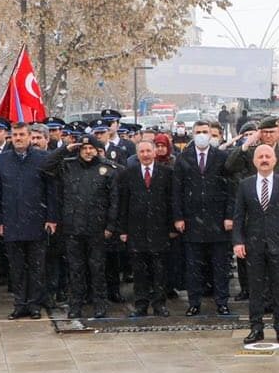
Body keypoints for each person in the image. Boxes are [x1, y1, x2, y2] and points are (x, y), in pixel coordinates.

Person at [232, 144, 279, 345]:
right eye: (260, 156)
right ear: (254, 161)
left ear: (274, 160)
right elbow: (238, 216)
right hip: (253, 245)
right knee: (255, 289)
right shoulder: (245, 185)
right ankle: (256, 328)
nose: (264, 159)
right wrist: (238, 241)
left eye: (267, 156)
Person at [50, 134, 116, 319]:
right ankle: (76, 305)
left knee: (97, 269)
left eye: (91, 148)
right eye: (84, 148)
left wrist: (110, 226)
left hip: (97, 228)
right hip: (73, 228)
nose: (88, 152)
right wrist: (66, 149)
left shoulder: (107, 169)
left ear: (97, 150)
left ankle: (100, 305)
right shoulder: (68, 166)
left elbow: (114, 201)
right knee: (75, 269)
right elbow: (46, 167)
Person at [0, 122, 55, 319]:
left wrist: (51, 217)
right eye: (15, 135)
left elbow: (51, 190)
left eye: (22, 134)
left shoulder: (43, 158)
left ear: (29, 137)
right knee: (17, 267)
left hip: (36, 219)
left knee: (37, 266)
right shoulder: (3, 160)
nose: (18, 138)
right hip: (12, 220)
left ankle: (34, 305)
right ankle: (20, 304)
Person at [173, 121, 234, 317]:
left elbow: (230, 189)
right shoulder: (183, 158)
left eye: (205, 132)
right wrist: (178, 217)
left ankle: (222, 302)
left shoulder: (222, 157)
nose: (201, 135)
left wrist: (229, 216)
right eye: (198, 132)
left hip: (217, 221)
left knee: (220, 266)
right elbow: (177, 191)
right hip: (192, 222)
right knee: (193, 267)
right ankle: (194, 303)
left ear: (211, 135)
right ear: (192, 134)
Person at [112, 140, 175, 317]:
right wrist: (122, 230)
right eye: (142, 152)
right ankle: (141, 304)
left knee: (159, 270)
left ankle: (159, 304)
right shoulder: (127, 174)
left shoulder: (166, 173)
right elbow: (123, 203)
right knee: (139, 271)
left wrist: (172, 226)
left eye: (149, 151)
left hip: (159, 229)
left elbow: (171, 201)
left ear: (155, 152)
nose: (146, 155)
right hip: (136, 230)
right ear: (137, 154)